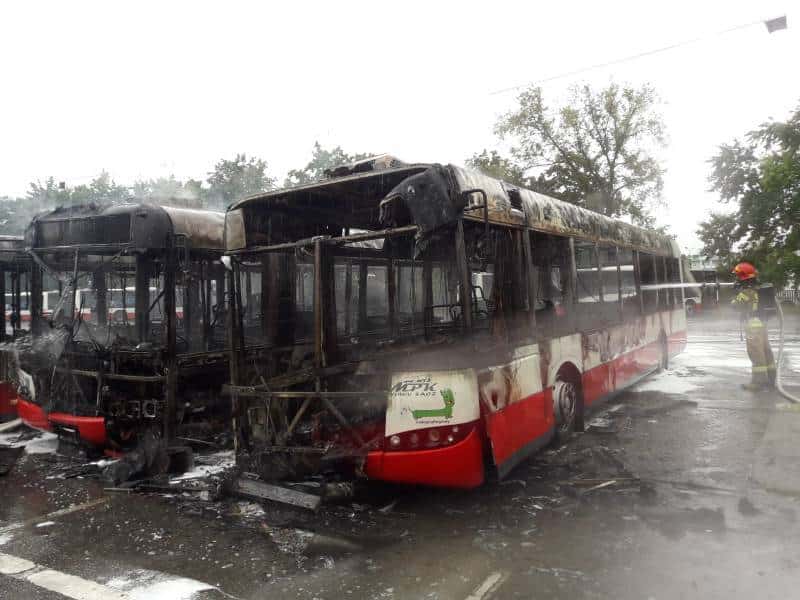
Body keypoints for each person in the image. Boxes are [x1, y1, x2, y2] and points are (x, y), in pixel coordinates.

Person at [731, 262, 776, 390]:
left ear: (743, 277)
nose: (737, 279)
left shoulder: (747, 292)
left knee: (756, 353)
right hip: (762, 324)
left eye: (738, 276)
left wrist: (736, 294)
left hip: (753, 326)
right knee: (766, 351)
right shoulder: (758, 289)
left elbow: (735, 305)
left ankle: (758, 382)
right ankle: (772, 378)